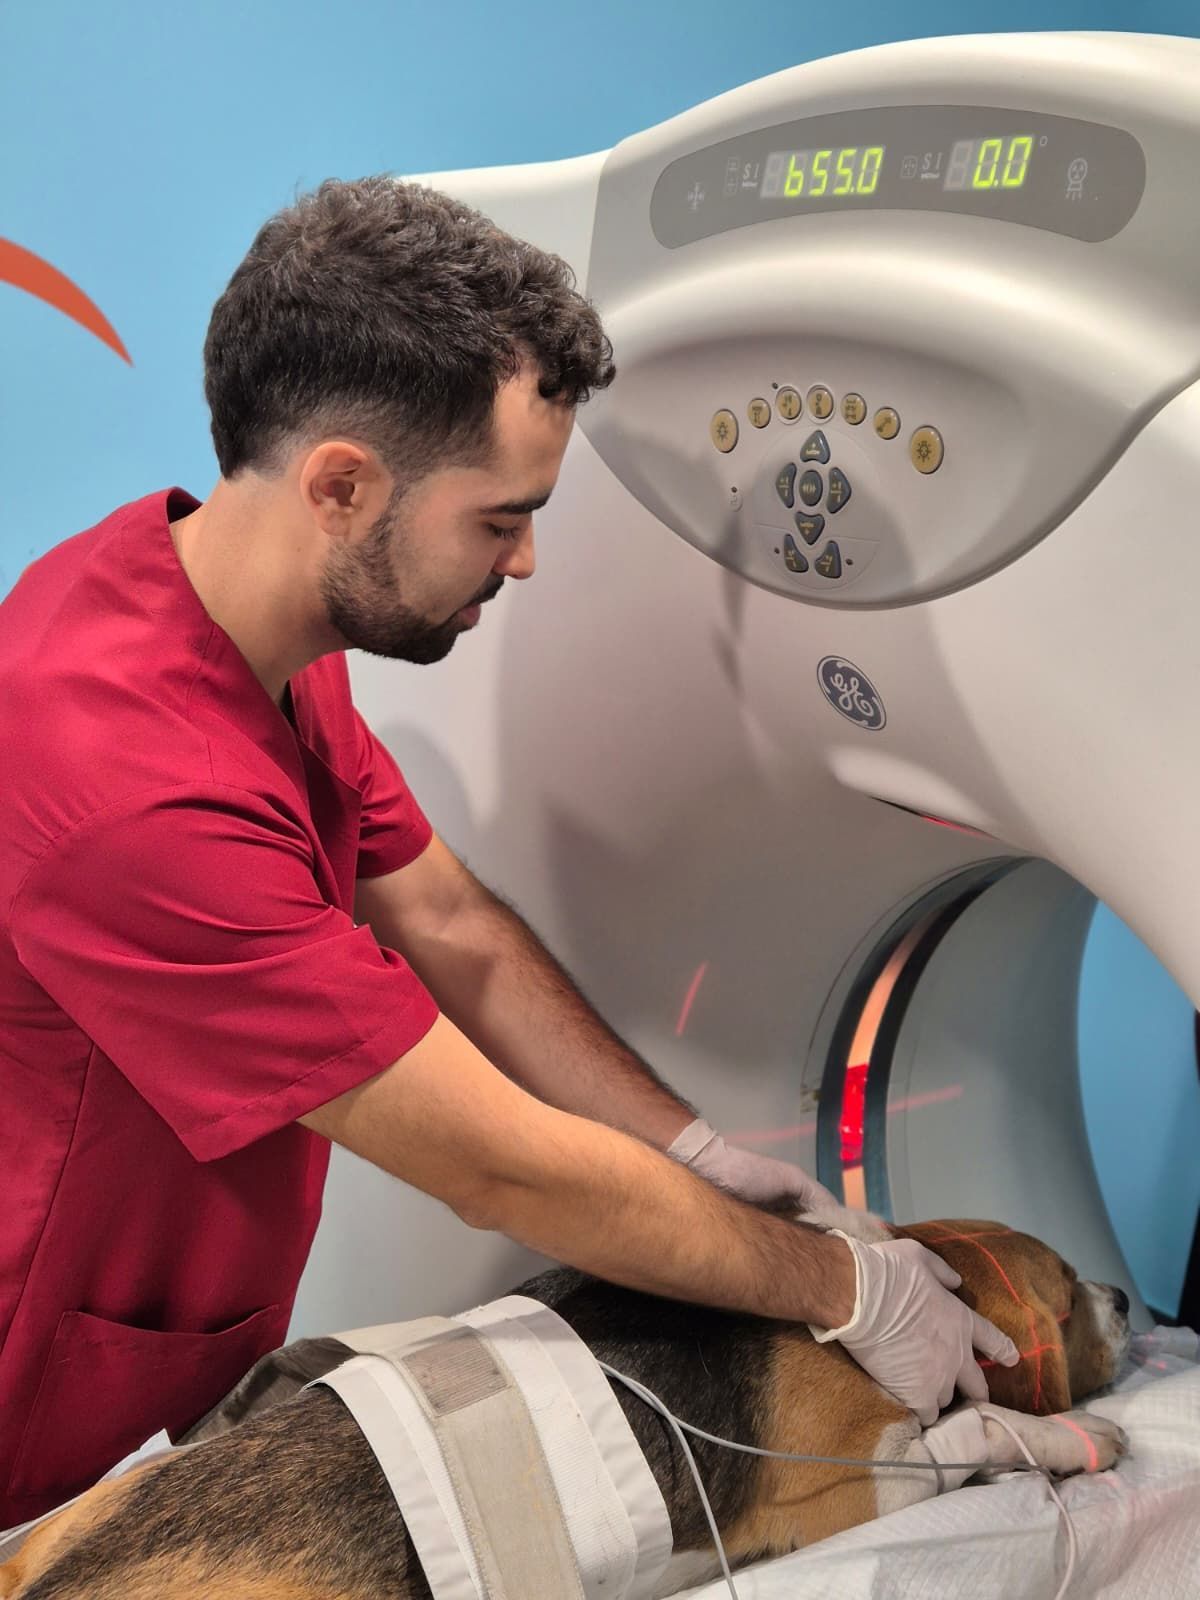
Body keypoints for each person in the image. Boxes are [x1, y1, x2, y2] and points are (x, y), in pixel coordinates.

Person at [0, 177, 1017, 1528]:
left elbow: (450, 922)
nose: (528, 560)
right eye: (499, 517)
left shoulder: (231, 619)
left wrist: (688, 1144)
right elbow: (498, 1170)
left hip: (147, 1337)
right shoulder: (128, 783)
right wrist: (843, 1288)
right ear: (342, 486)